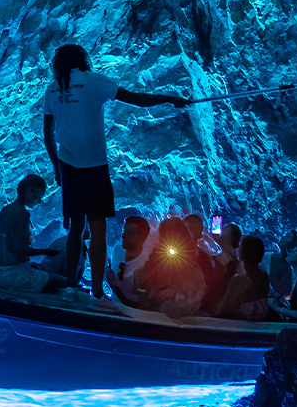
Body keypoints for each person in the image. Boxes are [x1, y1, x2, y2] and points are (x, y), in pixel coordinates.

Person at [42, 44, 188, 300]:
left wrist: (56, 168)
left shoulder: (52, 89)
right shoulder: (94, 81)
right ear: (82, 60)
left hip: (68, 164)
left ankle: (70, 285)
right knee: (97, 227)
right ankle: (97, 290)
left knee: (75, 228)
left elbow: (47, 136)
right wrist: (169, 98)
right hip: (95, 165)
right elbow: (137, 99)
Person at [0, 174, 71, 294]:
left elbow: (3, 246)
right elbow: (18, 249)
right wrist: (46, 252)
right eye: (39, 196)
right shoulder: (22, 214)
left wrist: (27, 264)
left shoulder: (5, 210)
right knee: (65, 282)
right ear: (30, 192)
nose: (39, 201)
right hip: (15, 276)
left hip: (1, 273)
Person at [135, 217, 208, 317]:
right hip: (164, 311)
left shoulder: (193, 262)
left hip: (173, 311)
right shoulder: (157, 256)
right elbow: (142, 280)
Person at [213, 234, 271, 320]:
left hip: (237, 325)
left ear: (241, 253)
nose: (237, 249)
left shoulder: (239, 280)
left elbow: (221, 310)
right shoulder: (264, 275)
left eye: (240, 247)